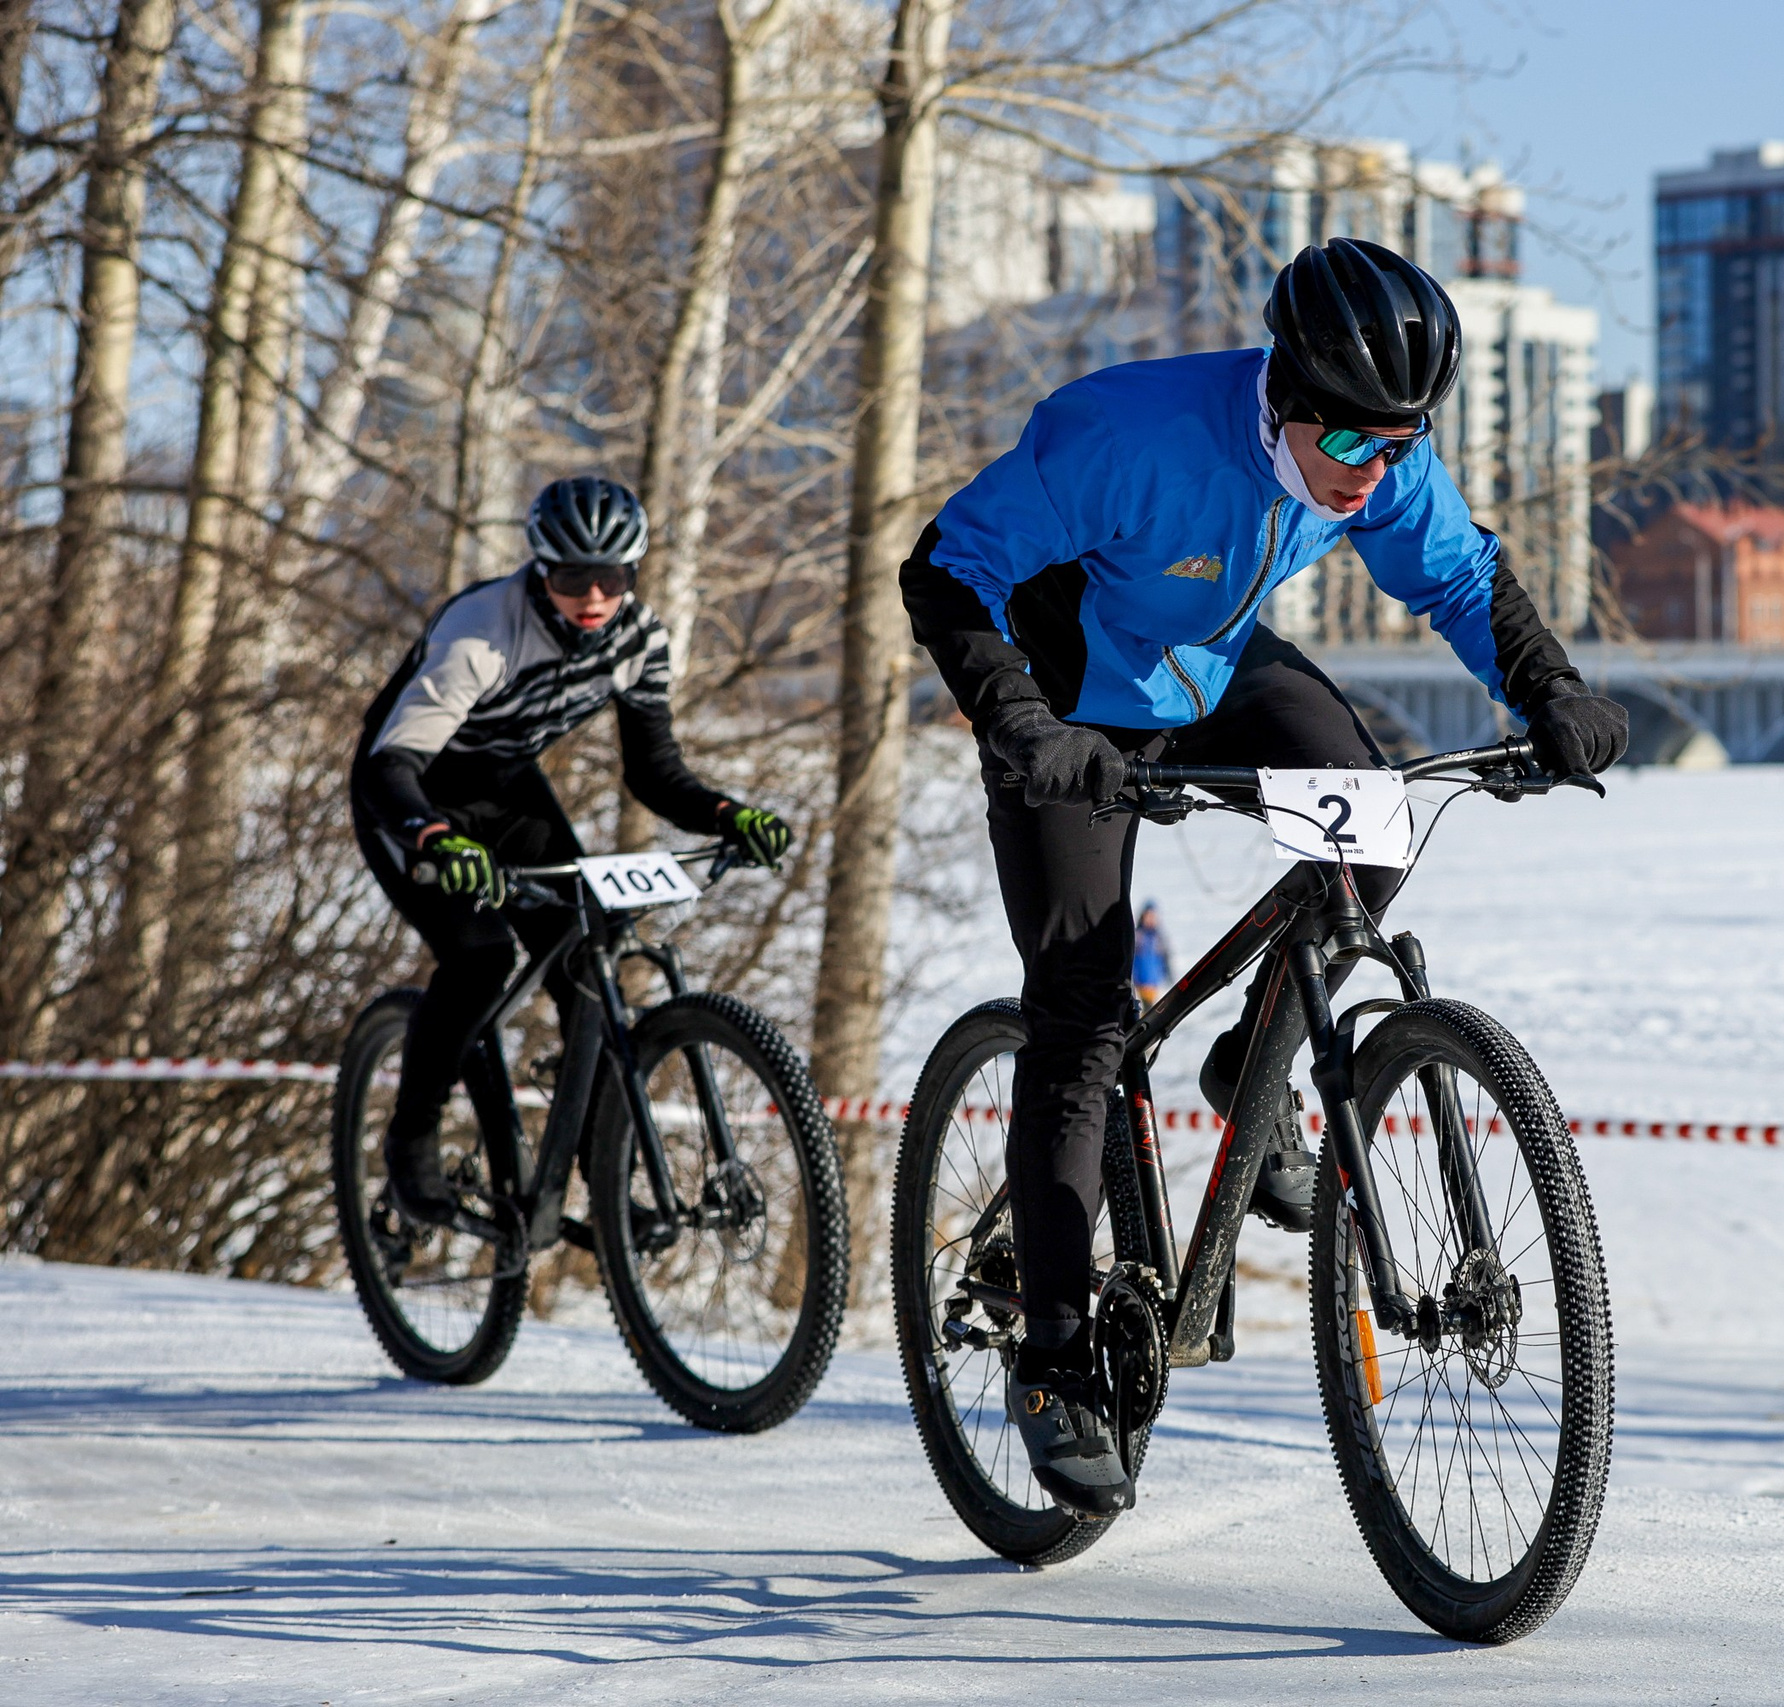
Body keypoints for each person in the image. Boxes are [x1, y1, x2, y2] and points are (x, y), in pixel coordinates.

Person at [903, 236, 1628, 1517]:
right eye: (1350, 445)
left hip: (1209, 667)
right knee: (1079, 1012)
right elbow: (947, 568)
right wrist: (1020, 726)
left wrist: (1551, 691)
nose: (1375, 471)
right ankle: (1059, 1364)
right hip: (1069, 691)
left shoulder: (1372, 455)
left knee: (1373, 825)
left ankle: (1254, 1063)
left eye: (1401, 444)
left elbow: (1460, 574)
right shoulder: (1124, 434)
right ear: (1282, 398)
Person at [350, 476, 793, 1227]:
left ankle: (595, 1162)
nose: (593, 594)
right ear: (540, 568)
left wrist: (725, 813)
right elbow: (390, 767)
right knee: (480, 957)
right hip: (411, 794)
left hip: (506, 790)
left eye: (612, 576)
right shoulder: (481, 629)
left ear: (633, 572)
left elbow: (653, 773)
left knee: (587, 955)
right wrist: (432, 836)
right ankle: (411, 1140)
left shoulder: (640, 639)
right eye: (571, 576)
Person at [1130, 901, 1174, 1007]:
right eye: (1148, 916)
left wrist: (1168, 975)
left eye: (1153, 916)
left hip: (1153, 982)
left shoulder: (1158, 938)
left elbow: (1165, 958)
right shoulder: (1137, 936)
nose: (1150, 919)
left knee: (1150, 1009)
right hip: (1138, 982)